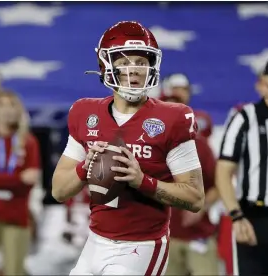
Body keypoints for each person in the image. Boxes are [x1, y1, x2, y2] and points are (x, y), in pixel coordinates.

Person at [52, 21, 205, 276]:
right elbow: (58, 190)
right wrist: (84, 167)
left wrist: (142, 181)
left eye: (141, 62)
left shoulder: (173, 118)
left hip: (141, 247)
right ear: (106, 66)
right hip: (94, 242)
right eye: (124, 63)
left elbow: (195, 197)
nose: (133, 70)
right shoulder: (84, 112)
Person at [216, 55, 268, 275]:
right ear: (262, 84)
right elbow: (223, 171)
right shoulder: (245, 119)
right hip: (254, 221)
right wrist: (236, 215)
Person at [160, 74, 219, 276]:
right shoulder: (146, 146)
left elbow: (218, 184)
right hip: (162, 237)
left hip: (197, 235)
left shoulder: (200, 145)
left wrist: (200, 206)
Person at [0, 91, 41, 275]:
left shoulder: (28, 142)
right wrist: (18, 178)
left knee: (14, 271)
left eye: (13, 105)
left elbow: (31, 180)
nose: (8, 110)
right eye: (3, 105)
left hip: (16, 217)